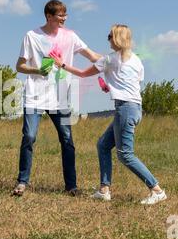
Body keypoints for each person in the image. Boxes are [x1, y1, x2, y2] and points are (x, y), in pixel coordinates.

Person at [52, 24, 167, 205]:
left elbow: (83, 73)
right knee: (103, 145)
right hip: (135, 108)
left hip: (125, 110)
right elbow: (130, 82)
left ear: (116, 39)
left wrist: (62, 64)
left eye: (110, 36)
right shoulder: (136, 60)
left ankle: (156, 190)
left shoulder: (110, 59)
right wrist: (111, 87)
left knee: (125, 155)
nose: (108, 39)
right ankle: (104, 190)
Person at [12, 0, 103, 196]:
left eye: (65, 15)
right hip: (35, 95)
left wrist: (114, 59)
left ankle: (71, 186)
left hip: (59, 96)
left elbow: (91, 55)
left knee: (67, 139)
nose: (64, 19)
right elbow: (19, 66)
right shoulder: (32, 36)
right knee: (29, 136)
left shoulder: (70, 36)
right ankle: (22, 182)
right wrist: (37, 69)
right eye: (60, 15)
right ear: (49, 16)